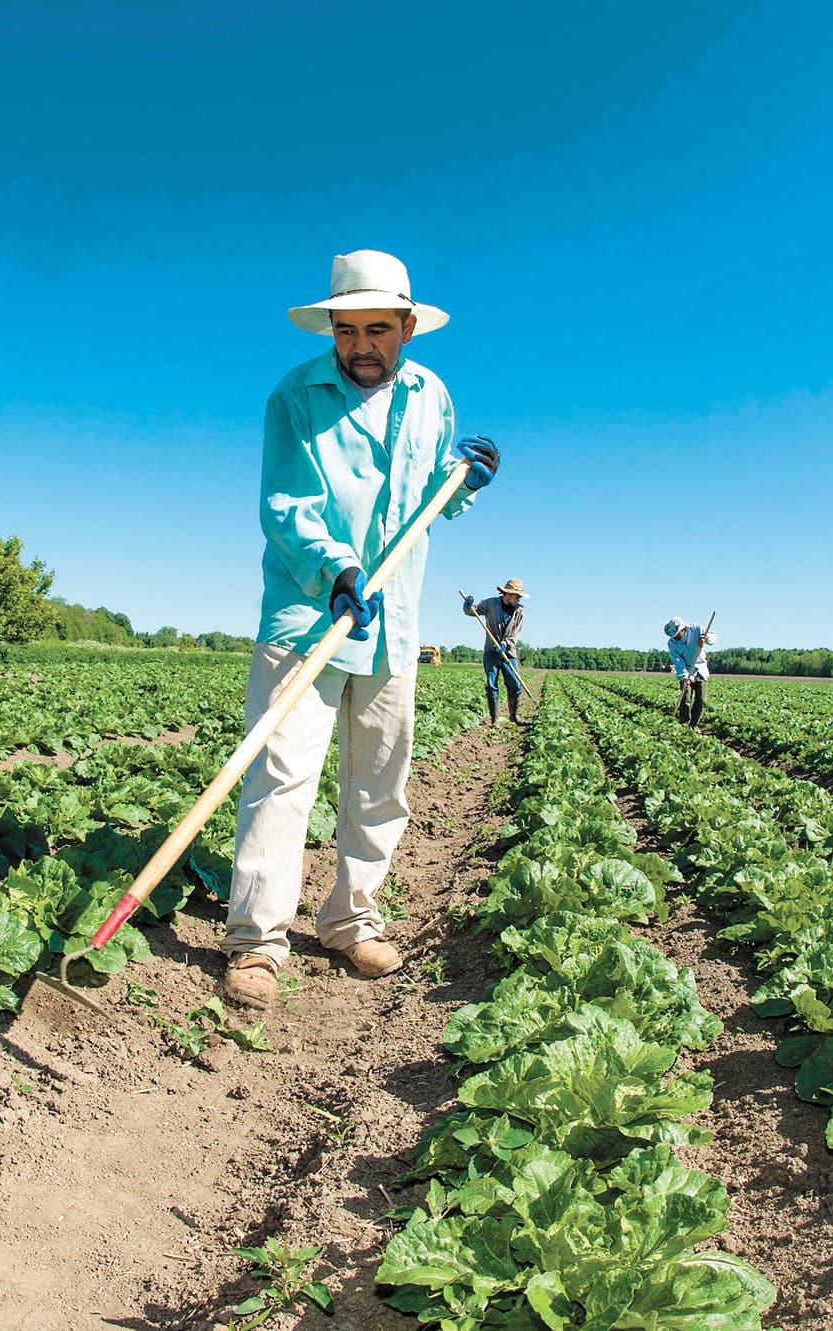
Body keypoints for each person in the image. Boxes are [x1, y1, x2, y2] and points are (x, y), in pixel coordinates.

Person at [222, 250, 501, 1008]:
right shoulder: (295, 397)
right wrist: (337, 569)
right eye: (347, 330)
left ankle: (351, 918)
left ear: (407, 327)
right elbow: (286, 507)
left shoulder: (430, 396)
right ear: (332, 329)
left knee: (380, 780)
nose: (361, 346)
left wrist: (466, 482)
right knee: (281, 778)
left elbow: (434, 499)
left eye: (378, 329)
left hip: (394, 620)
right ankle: (257, 940)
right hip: (308, 613)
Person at [463, 578, 527, 726]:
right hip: (491, 652)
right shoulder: (490, 604)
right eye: (516, 596)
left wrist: (505, 643)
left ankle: (514, 716)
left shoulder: (520, 611)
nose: (518, 599)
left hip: (508, 653)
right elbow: (473, 612)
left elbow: (515, 635)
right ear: (508, 594)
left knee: (515, 685)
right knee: (492, 685)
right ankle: (495, 720)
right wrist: (467, 606)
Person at [665, 616, 715, 727]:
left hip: (701, 669)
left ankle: (694, 724)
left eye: (676, 635)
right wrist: (684, 677)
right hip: (686, 669)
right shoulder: (672, 644)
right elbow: (678, 661)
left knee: (701, 700)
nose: (675, 637)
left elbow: (713, 638)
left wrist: (705, 639)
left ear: (683, 629)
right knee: (685, 698)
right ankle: (684, 722)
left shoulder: (697, 629)